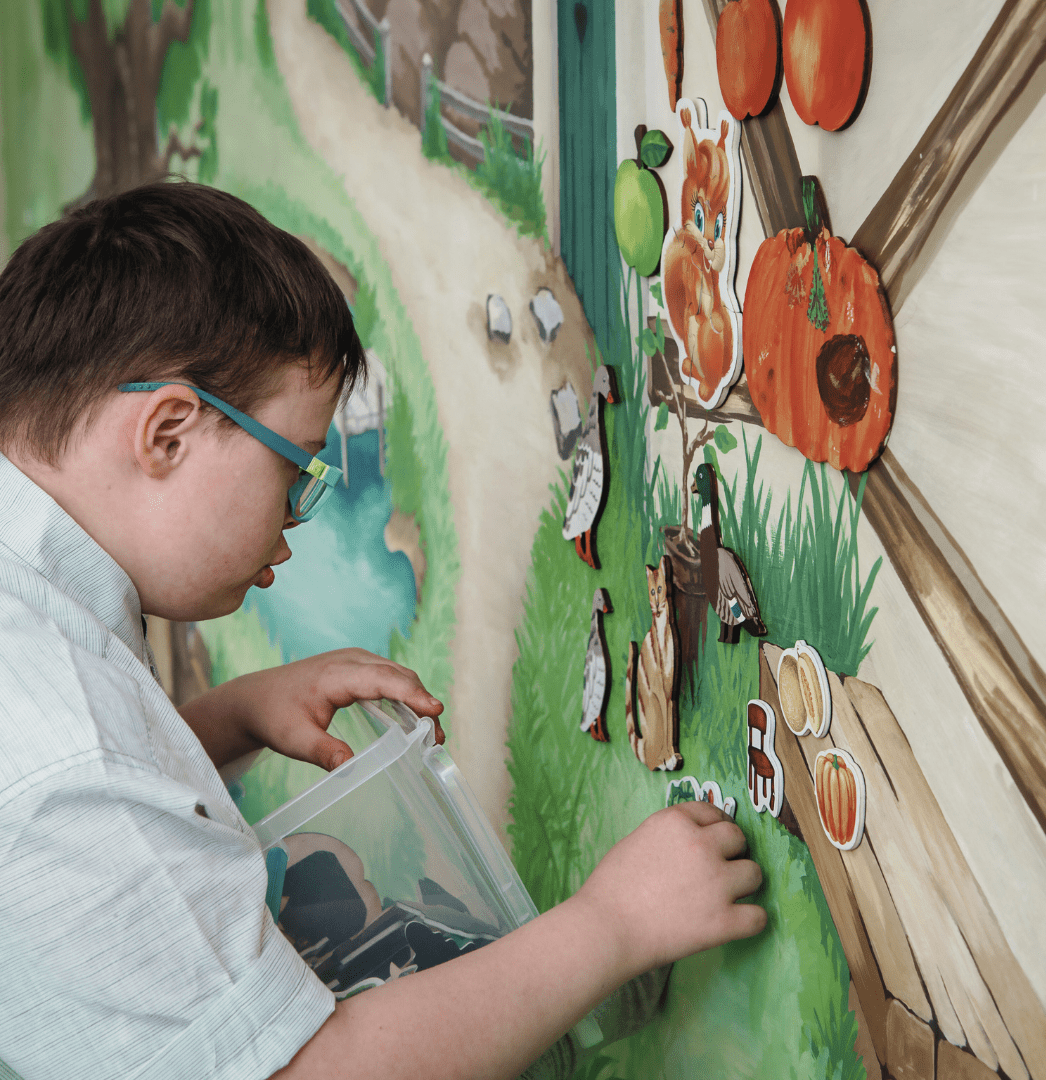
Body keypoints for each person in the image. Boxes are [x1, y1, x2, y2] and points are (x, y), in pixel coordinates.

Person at [0, 180, 766, 1080]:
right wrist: (614, 926)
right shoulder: (70, 753)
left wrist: (233, 717)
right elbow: (302, 1071)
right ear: (168, 433)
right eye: (297, 470)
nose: (299, 512)